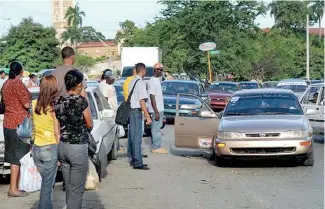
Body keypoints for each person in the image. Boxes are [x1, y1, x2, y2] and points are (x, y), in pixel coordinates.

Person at [54, 70, 93, 209]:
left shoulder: (58, 100)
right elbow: (89, 123)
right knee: (77, 190)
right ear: (78, 84)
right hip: (77, 147)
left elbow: (57, 124)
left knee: (69, 187)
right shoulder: (80, 101)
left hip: (63, 146)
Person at [52, 46, 88, 191]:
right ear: (72, 57)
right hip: (76, 119)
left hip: (59, 117)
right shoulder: (76, 73)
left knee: (65, 159)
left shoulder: (54, 73)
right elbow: (83, 95)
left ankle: (67, 184)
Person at [2, 61, 31, 197]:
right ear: (21, 71)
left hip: (8, 122)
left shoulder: (6, 84)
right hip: (18, 124)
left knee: (14, 156)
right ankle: (13, 189)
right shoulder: (17, 84)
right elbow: (26, 103)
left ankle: (16, 186)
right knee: (17, 157)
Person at [32, 75, 60, 209]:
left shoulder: (33, 105)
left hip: (36, 149)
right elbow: (56, 131)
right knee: (47, 186)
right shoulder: (54, 108)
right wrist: (60, 151)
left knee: (46, 184)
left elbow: (32, 128)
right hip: (49, 148)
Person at [128, 63, 152, 170]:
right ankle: (138, 162)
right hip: (137, 111)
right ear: (143, 71)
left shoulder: (132, 81)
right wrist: (147, 116)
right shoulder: (141, 83)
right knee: (137, 137)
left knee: (133, 137)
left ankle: (134, 159)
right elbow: (142, 101)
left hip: (131, 111)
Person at [148, 63, 168, 154]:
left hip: (159, 109)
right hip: (156, 109)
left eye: (162, 70)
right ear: (155, 70)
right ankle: (156, 147)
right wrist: (156, 111)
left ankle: (156, 146)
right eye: (159, 70)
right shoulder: (153, 81)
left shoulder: (157, 80)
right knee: (155, 129)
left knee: (158, 128)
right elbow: (152, 96)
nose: (161, 71)